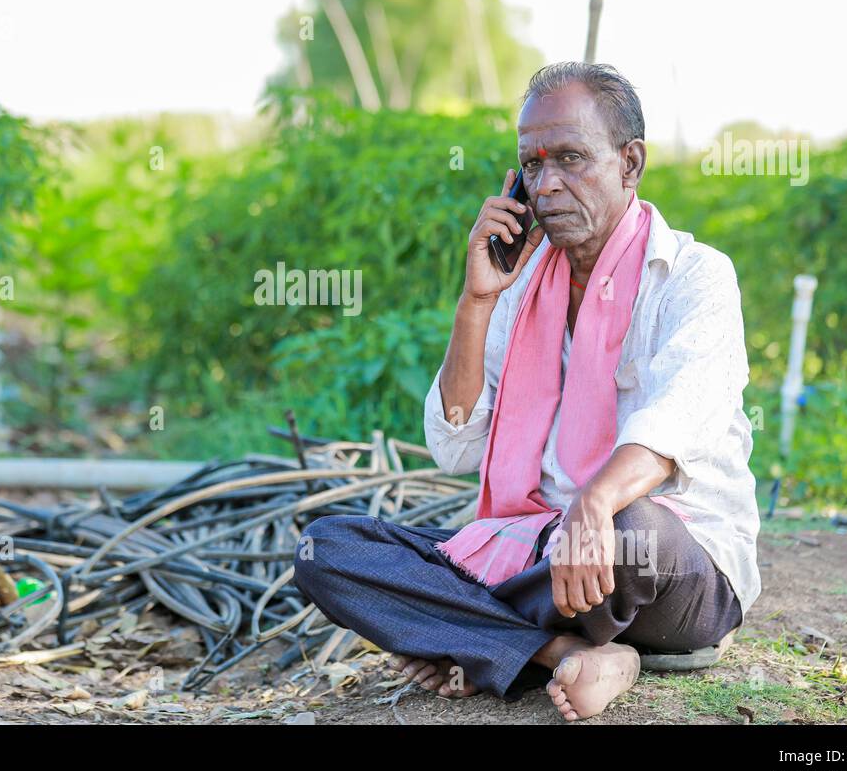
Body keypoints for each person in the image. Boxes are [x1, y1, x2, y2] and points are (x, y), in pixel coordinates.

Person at [293, 62, 760, 721]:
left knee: (633, 529)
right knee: (330, 548)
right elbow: (455, 444)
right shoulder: (519, 287)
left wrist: (594, 504)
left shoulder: (693, 276)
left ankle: (469, 633)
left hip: (662, 562)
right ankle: (566, 653)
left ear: (630, 163)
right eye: (531, 165)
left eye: (570, 159)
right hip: (538, 552)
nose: (546, 186)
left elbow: (676, 421)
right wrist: (477, 300)